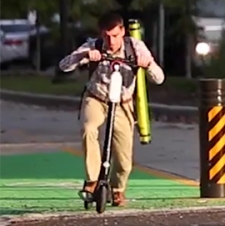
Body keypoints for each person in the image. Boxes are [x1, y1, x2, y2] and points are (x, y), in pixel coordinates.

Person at [58, 11, 165, 206]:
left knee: (124, 160)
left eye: (115, 36)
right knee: (89, 128)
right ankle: (92, 180)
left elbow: (159, 78)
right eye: (106, 36)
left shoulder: (135, 46)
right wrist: (84, 55)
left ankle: (117, 189)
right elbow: (64, 65)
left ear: (123, 32)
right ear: (101, 34)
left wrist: (147, 63)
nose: (111, 41)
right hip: (97, 98)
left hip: (123, 102)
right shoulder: (94, 45)